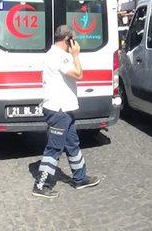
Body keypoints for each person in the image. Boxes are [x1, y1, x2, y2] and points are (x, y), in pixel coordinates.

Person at [32, 25, 100, 199]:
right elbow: (78, 74)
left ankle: (80, 178)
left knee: (72, 144)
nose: (76, 43)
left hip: (65, 108)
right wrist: (76, 55)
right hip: (58, 109)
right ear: (67, 40)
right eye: (74, 39)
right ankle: (41, 185)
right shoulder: (57, 57)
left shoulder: (59, 55)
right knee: (54, 148)